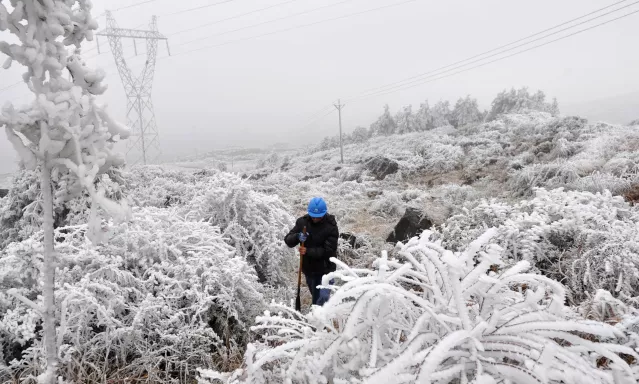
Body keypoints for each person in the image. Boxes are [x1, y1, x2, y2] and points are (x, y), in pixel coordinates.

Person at [284, 197, 339, 306]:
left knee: (321, 300)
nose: (315, 219)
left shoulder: (331, 226)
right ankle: (319, 316)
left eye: (318, 217)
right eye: (313, 216)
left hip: (326, 269)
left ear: (324, 213)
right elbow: (288, 240)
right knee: (316, 297)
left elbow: (328, 250)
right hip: (309, 270)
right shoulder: (302, 222)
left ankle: (320, 319)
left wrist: (307, 251)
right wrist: (297, 236)